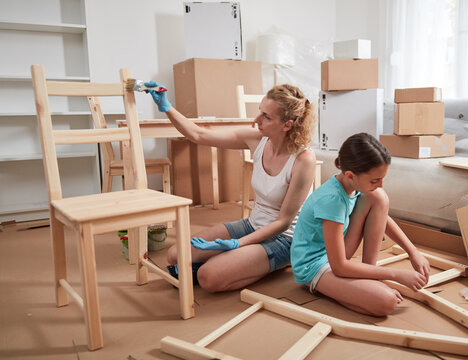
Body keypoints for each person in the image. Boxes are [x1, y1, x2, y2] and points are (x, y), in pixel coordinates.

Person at [145, 81, 317, 292]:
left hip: (284, 239)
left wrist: (239, 244)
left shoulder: (303, 160)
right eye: (259, 111)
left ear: (287, 125)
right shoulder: (257, 139)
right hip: (253, 224)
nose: (256, 120)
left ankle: (273, 262)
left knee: (208, 277)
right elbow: (199, 135)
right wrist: (167, 107)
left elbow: (283, 222)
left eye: (266, 117)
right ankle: (246, 261)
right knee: (175, 255)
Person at [290, 133, 430, 316]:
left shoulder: (352, 185)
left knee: (378, 197)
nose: (380, 184)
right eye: (374, 180)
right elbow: (339, 266)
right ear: (350, 175)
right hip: (315, 264)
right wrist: (395, 274)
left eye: (382, 178)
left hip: (336, 254)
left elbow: (384, 218)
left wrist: (413, 252)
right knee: (386, 303)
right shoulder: (332, 200)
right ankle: (356, 285)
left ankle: (367, 276)